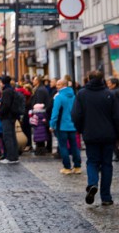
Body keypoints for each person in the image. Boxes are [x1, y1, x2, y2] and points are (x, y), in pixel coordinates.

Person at [72, 70, 119, 206]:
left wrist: (81, 129)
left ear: (88, 78)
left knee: (92, 162)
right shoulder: (109, 94)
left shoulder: (81, 94)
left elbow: (76, 115)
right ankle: (106, 197)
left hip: (90, 134)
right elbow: (117, 117)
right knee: (106, 165)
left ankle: (92, 183)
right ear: (102, 79)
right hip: (108, 135)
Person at [50, 78, 81, 174]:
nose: (56, 86)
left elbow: (55, 112)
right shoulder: (74, 96)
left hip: (62, 126)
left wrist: (52, 124)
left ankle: (67, 167)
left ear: (63, 85)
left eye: (58, 85)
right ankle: (77, 166)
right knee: (74, 146)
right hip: (73, 125)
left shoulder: (59, 97)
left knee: (63, 146)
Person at [0, 75, 19, 164]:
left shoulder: (7, 92)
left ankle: (11, 157)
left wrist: (0, 113)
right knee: (12, 137)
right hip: (11, 116)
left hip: (7, 117)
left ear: (3, 83)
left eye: (0, 82)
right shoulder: (11, 90)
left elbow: (6, 105)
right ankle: (14, 156)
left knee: (8, 137)